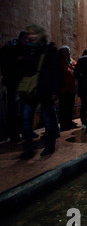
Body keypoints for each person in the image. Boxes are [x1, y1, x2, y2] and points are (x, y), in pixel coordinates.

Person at [18, 25, 61, 158]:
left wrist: (55, 90)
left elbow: (56, 71)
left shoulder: (49, 49)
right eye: (29, 34)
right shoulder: (27, 50)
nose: (31, 36)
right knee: (26, 120)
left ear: (40, 34)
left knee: (48, 119)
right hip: (30, 91)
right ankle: (29, 148)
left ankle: (49, 145)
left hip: (45, 90)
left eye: (34, 34)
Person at [0, 31, 27, 142]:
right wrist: (18, 59)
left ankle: (25, 131)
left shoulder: (25, 48)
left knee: (25, 107)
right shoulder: (12, 47)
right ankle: (14, 134)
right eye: (26, 39)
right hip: (13, 83)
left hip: (23, 83)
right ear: (21, 39)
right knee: (14, 109)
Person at [58, 46, 78, 131]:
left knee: (70, 106)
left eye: (67, 51)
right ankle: (64, 123)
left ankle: (69, 121)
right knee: (64, 107)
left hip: (71, 88)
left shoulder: (71, 61)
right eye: (64, 52)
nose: (66, 53)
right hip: (64, 89)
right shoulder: (59, 62)